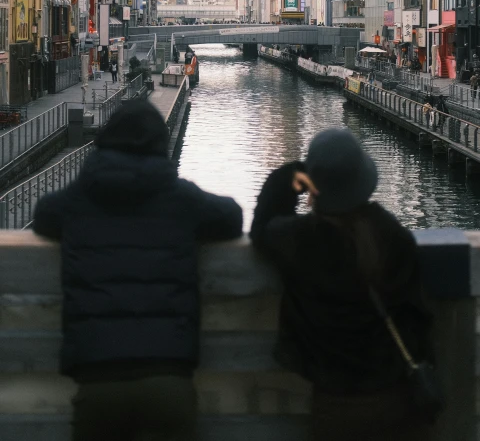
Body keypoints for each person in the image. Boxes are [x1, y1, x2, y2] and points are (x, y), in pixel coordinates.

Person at [32, 101, 243, 441]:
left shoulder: (78, 199)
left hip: (97, 378)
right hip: (168, 375)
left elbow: (44, 216)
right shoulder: (181, 197)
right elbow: (232, 217)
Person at [250, 128, 434, 441]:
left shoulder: (300, 241)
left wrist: (296, 174)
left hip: (337, 402)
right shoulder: (391, 234)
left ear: (314, 186)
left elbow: (263, 225)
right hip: (399, 395)